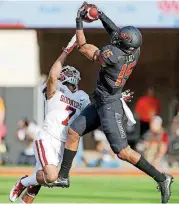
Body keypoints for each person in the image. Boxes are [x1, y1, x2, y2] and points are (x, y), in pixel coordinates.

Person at [54, 3, 173, 203]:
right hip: (101, 100)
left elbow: (83, 48)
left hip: (109, 105)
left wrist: (79, 23)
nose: (116, 36)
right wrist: (100, 15)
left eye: (120, 38)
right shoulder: (133, 50)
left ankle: (162, 178)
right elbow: (117, 32)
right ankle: (63, 176)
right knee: (73, 132)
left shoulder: (113, 55)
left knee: (123, 152)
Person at [9, 34, 91, 203]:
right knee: (51, 176)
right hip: (47, 137)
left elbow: (93, 111)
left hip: (63, 144)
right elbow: (53, 76)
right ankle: (24, 181)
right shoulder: (55, 90)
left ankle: (29, 185)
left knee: (43, 181)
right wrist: (66, 51)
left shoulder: (82, 97)